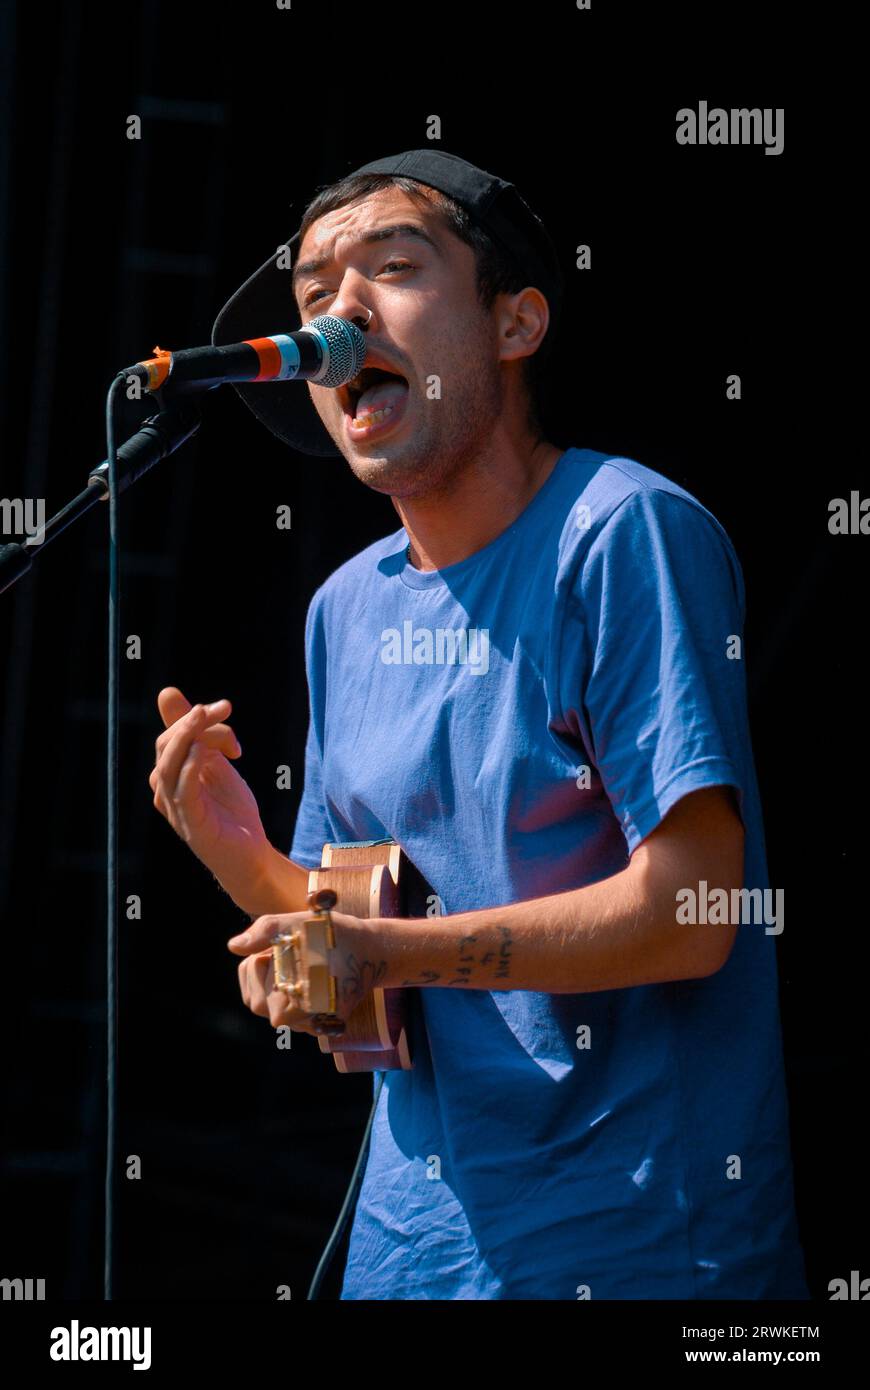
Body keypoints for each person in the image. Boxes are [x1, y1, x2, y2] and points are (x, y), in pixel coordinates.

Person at [149, 150, 810, 1300]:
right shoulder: (344, 608)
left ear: (517, 323)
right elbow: (355, 966)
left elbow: (693, 912)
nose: (339, 315)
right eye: (312, 300)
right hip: (413, 1259)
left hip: (639, 1250)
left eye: (393, 269)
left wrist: (385, 949)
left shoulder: (623, 532)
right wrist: (240, 857)